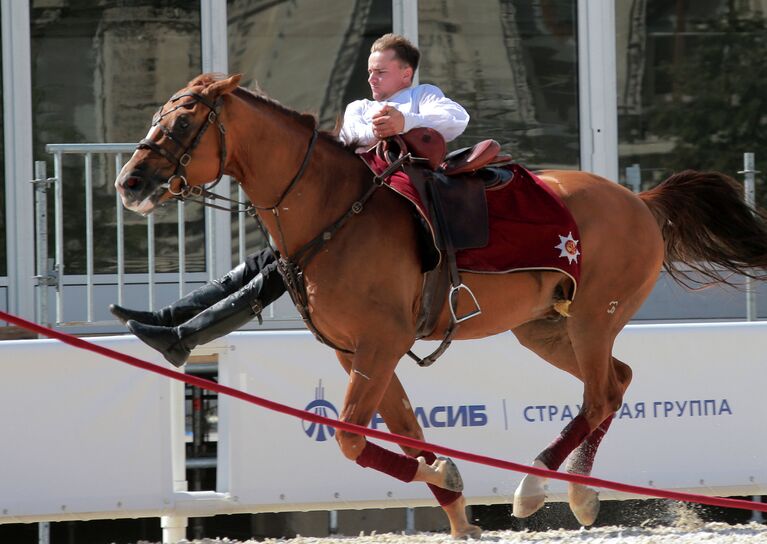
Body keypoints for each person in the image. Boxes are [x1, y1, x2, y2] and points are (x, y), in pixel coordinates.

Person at [112, 33, 469, 367]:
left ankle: (183, 335)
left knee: (278, 268)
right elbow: (344, 150)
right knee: (264, 263)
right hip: (349, 209)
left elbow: (456, 119)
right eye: (370, 71)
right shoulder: (360, 107)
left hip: (387, 209)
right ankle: (171, 321)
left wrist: (405, 120)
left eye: (381, 71)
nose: (372, 78)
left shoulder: (423, 96)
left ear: (405, 74)